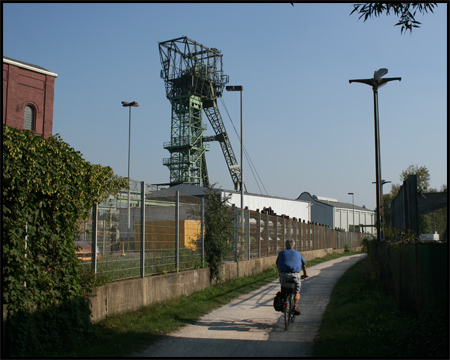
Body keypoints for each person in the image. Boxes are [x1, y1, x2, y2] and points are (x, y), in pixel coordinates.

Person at [276, 239, 307, 315]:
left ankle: (284, 304)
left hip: (284, 275)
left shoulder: (281, 253)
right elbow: (303, 265)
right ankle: (295, 306)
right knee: (297, 292)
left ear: (285, 245)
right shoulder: (298, 254)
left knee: (284, 291)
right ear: (293, 245)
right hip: (295, 276)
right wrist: (305, 274)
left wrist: (280, 274)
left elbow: (278, 265)